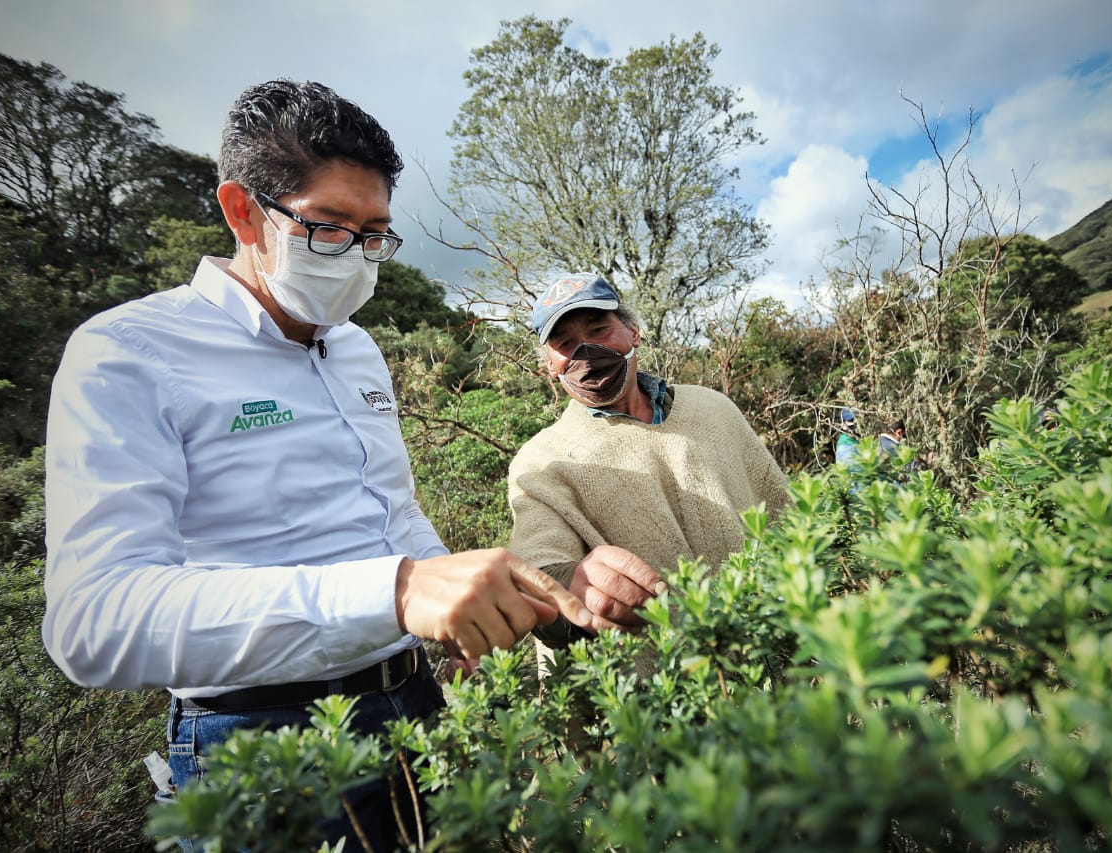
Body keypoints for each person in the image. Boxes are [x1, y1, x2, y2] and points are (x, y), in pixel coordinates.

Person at [41, 80, 593, 851]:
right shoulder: (128, 353)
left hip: (413, 703)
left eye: (375, 234)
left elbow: (393, 516)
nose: (358, 258)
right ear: (242, 211)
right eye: (330, 227)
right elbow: (94, 621)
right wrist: (394, 590)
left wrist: (500, 594)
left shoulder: (357, 347)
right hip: (262, 741)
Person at [506, 273, 791, 650]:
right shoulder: (542, 461)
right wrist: (570, 585)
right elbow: (539, 572)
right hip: (661, 690)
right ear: (549, 367)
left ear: (633, 334)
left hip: (773, 654)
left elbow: (784, 514)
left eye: (599, 330)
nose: (586, 352)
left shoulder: (713, 409)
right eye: (566, 344)